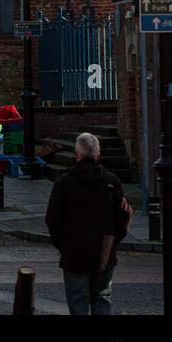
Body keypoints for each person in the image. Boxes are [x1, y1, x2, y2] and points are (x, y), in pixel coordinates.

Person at [45, 132, 132, 315]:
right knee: (101, 298)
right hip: (104, 251)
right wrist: (114, 242)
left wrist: (64, 246)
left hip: (74, 252)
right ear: (98, 154)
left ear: (77, 155)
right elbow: (123, 217)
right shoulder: (111, 182)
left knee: (78, 303)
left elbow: (52, 221)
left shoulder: (64, 183)